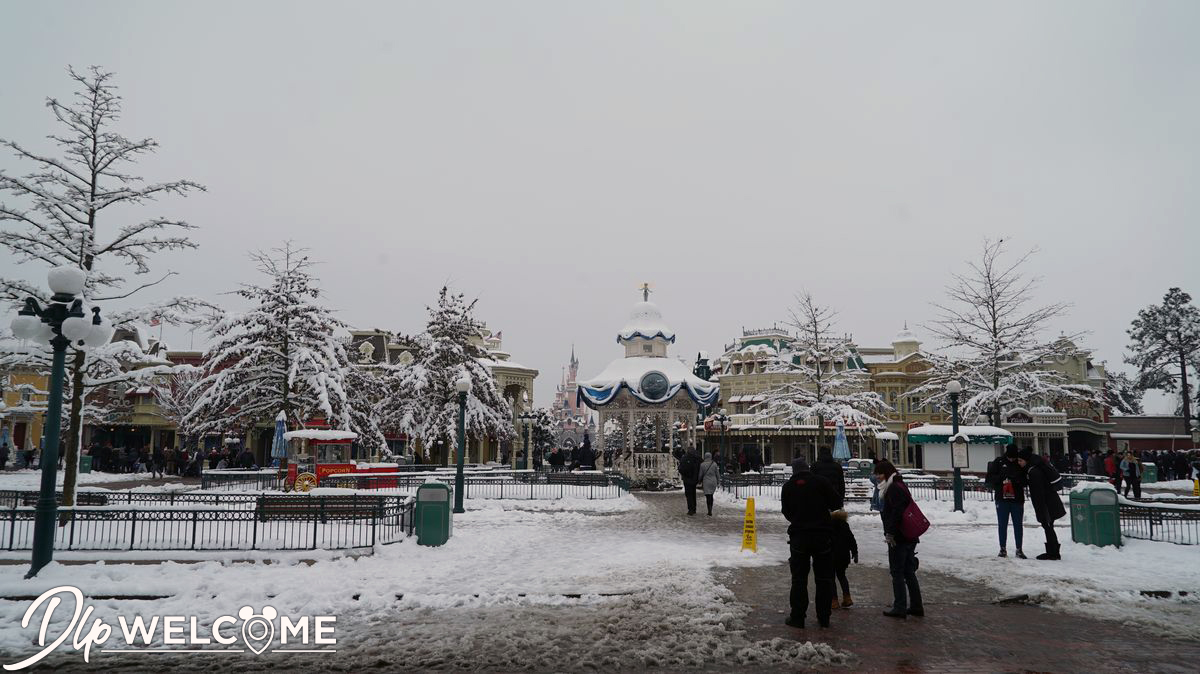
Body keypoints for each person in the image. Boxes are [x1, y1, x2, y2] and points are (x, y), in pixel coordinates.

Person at [781, 457, 838, 629]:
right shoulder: (821, 482)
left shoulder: (788, 487)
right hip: (822, 536)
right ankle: (824, 617)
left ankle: (798, 617)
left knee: (799, 579)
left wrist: (799, 520)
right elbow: (836, 503)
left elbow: (786, 511)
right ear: (808, 468)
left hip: (799, 537)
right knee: (824, 579)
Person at [876, 459, 924, 619]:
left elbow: (897, 513)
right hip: (909, 535)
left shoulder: (893, 488)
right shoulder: (900, 484)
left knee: (897, 572)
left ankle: (900, 606)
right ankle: (916, 606)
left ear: (887, 473)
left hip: (900, 537)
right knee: (909, 572)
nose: (877, 477)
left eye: (879, 474)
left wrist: (890, 533)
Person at [1017, 448, 1066, 561]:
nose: (1019, 463)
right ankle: (1052, 551)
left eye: (1020, 460)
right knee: (1048, 527)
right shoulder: (1034, 469)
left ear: (1026, 460)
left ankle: (1053, 553)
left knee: (1048, 526)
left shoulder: (1034, 472)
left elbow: (1038, 492)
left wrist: (1041, 509)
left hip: (1046, 504)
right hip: (1049, 502)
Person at [986, 446, 1028, 558]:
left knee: (1018, 525)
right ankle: (1002, 548)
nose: (1012, 460)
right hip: (1002, 498)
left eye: (1014, 459)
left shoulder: (1019, 463)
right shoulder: (998, 462)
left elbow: (1025, 480)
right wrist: (1001, 478)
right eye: (1010, 458)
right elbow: (989, 478)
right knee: (1002, 524)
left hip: (1017, 499)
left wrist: (1016, 480)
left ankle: (1019, 548)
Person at [830, 509, 858, 609]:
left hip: (831, 556)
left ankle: (834, 601)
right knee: (842, 576)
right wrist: (855, 552)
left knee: (831, 578)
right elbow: (851, 539)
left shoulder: (828, 524)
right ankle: (847, 598)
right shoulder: (845, 525)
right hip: (843, 556)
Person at [678, 447, 701, 515]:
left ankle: (691, 509)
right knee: (693, 493)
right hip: (694, 479)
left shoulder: (685, 458)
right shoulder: (697, 458)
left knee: (689, 494)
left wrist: (682, 473)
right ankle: (694, 508)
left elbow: (681, 468)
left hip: (687, 479)